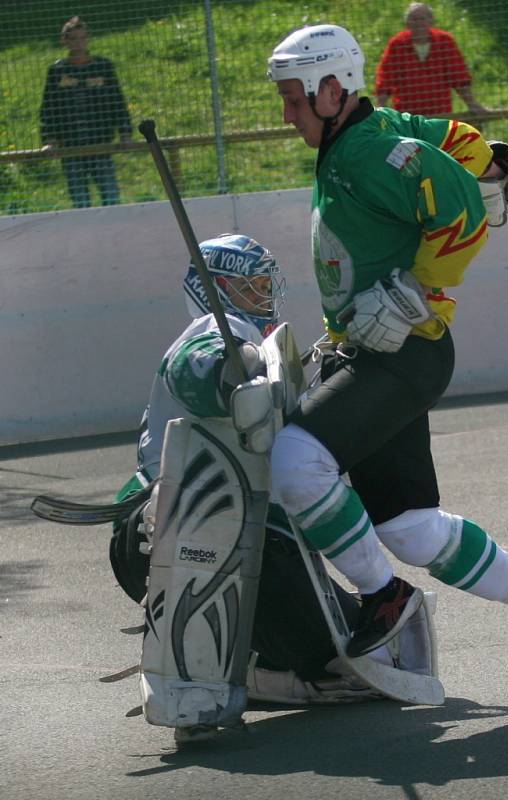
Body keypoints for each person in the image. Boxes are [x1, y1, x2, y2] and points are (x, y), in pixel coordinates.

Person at [267, 24, 508, 675]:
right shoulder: (371, 131)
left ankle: (384, 594)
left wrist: (412, 291)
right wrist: (491, 163)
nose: (286, 114)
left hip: (400, 356)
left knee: (294, 461)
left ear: (330, 90)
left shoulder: (366, 153)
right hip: (384, 355)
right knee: (408, 530)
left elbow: (460, 212)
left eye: (294, 99)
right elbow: (456, 142)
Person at [109, 233, 401, 711]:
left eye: (265, 285)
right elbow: (195, 369)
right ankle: (242, 662)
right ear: (216, 289)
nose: (263, 296)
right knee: (341, 655)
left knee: (363, 641)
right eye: (250, 287)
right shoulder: (217, 330)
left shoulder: (251, 340)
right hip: (162, 525)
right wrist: (239, 366)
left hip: (217, 527)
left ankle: (247, 659)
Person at [39, 16, 132, 208]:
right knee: (80, 200)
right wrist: (49, 139)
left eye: (82, 38)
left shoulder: (103, 67)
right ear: (64, 40)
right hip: (70, 145)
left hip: (100, 143)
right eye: (73, 39)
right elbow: (48, 107)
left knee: (111, 196)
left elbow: (117, 101)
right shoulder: (57, 71)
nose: (78, 43)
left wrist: (125, 133)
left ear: (88, 39)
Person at [376, 3, 487, 116]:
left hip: (440, 111)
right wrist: (382, 107)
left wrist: (472, 104)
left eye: (422, 18)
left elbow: (459, 76)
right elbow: (385, 78)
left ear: (431, 21)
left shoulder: (444, 41)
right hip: (407, 114)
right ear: (407, 23)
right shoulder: (397, 44)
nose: (418, 22)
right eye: (414, 19)